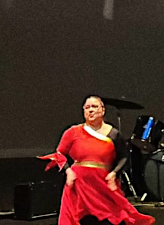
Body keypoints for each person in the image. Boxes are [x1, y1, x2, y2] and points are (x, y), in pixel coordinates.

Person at [40, 95, 155, 225]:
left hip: (102, 184)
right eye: (87, 107)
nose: (90, 110)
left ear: (102, 110)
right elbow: (60, 153)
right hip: (80, 184)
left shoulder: (113, 133)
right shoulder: (73, 132)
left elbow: (124, 156)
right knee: (81, 219)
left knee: (113, 216)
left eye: (94, 107)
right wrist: (68, 171)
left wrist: (114, 173)